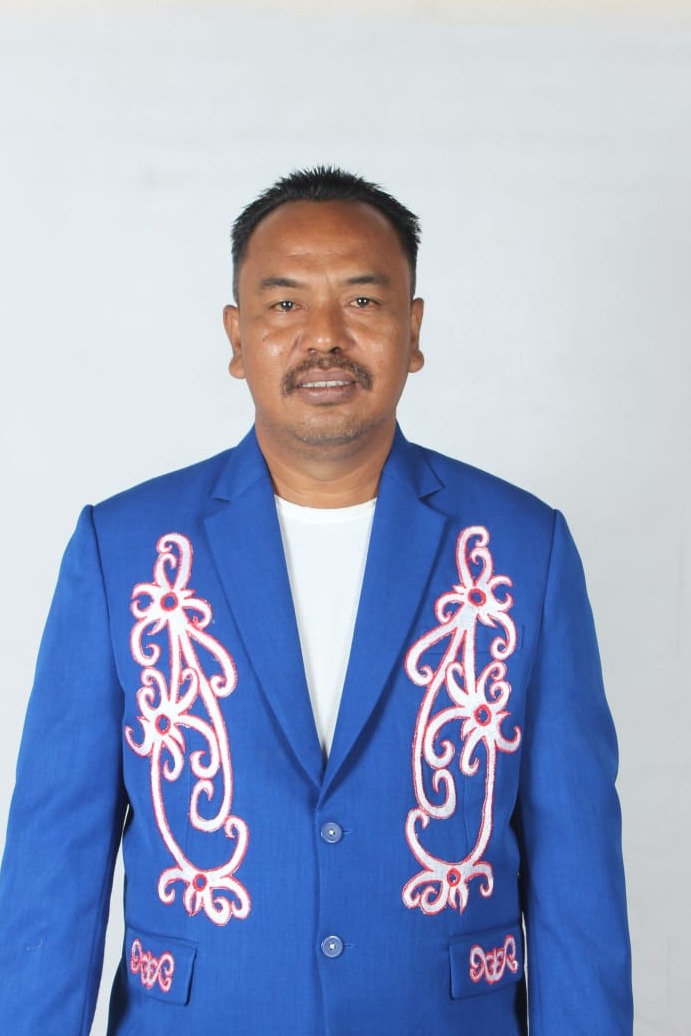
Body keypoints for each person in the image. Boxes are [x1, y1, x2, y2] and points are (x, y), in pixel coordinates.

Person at [0, 166, 632, 1035]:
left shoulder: (524, 549)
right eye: (286, 304)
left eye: (363, 302)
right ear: (237, 336)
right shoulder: (126, 549)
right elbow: (52, 867)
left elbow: (577, 873)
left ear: (413, 330)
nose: (325, 337)